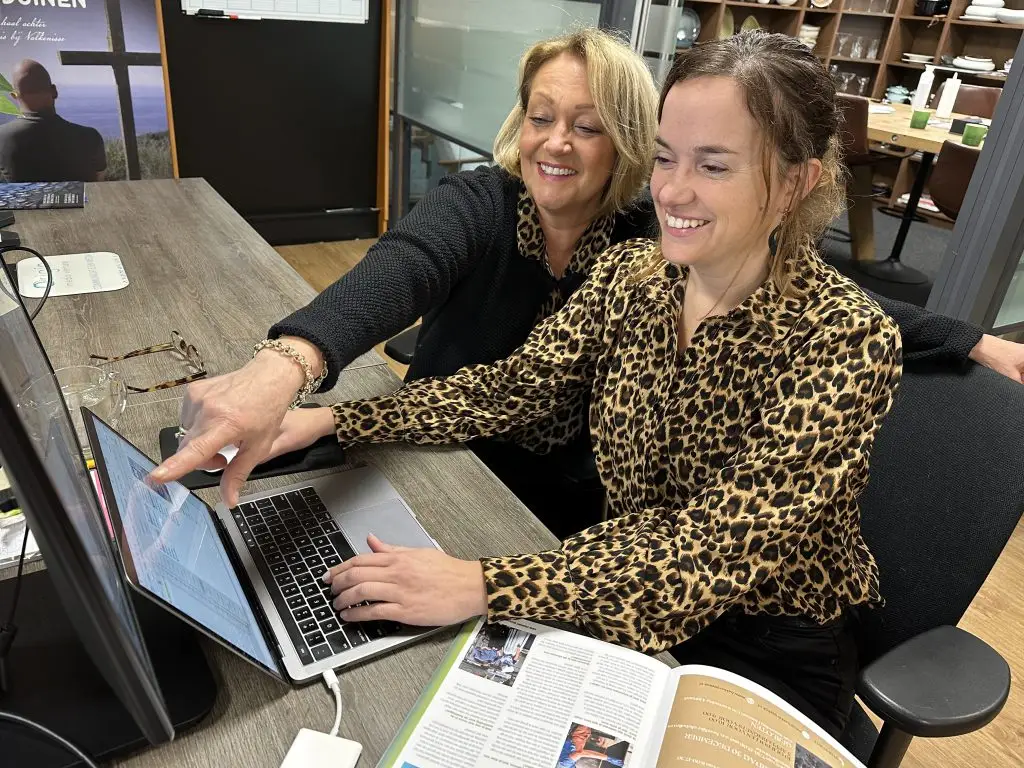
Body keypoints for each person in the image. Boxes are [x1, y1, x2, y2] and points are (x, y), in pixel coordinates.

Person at [197, 31, 920, 738]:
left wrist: (480, 584)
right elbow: (510, 389)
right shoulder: (633, 278)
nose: (673, 189)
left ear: (796, 182)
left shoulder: (845, 339)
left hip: (759, 642)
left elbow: (704, 559)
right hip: (613, 581)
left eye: (715, 165)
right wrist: (332, 423)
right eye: (667, 158)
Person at [153, 31, 1024, 535]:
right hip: (454, 459)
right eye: (540, 117)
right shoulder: (495, 210)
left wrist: (966, 335)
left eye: (588, 125)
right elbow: (405, 276)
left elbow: (828, 303)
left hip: (581, 519)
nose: (555, 143)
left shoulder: (655, 244)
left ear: (630, 142)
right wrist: (292, 366)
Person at [0, 59, 107, 183]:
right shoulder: (90, 137)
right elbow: (99, 181)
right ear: (54, 91)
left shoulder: (2, 137)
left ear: (14, 95)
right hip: (80, 202)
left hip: (25, 202)